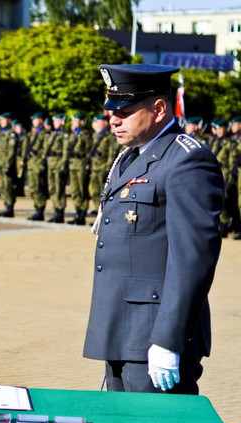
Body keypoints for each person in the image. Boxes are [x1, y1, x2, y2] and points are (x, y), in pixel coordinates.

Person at [83, 63, 224, 394]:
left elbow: (192, 261)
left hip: (153, 338)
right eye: (111, 111)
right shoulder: (133, 156)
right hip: (122, 332)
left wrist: (168, 340)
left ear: (159, 109)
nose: (113, 119)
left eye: (125, 111)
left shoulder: (186, 161)